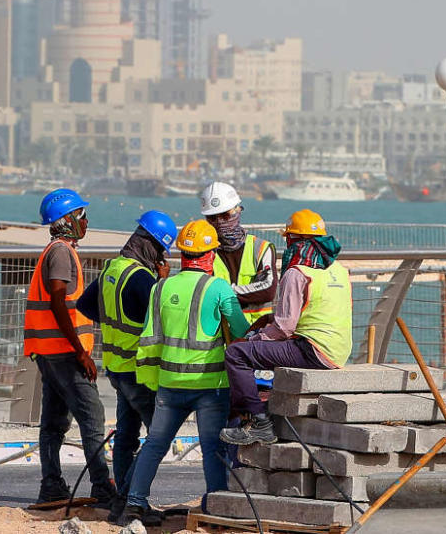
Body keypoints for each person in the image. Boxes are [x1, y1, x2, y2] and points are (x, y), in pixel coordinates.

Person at [121, 220, 252, 527]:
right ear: (209, 256)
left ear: (182, 255)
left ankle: (134, 504)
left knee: (154, 443)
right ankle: (217, 506)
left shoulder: (161, 287)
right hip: (210, 385)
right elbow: (242, 331)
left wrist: (154, 383)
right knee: (212, 448)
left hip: (169, 384)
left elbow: (149, 339)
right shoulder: (217, 287)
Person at [219, 209, 352, 446]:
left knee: (237, 355)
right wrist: (269, 321)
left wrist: (252, 339)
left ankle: (259, 422)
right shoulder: (339, 270)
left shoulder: (296, 272)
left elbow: (284, 329)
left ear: (293, 240)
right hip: (339, 350)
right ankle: (262, 413)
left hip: (312, 351)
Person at [77, 210, 177, 523]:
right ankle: (130, 500)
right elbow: (164, 316)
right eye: (162, 251)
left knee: (126, 438)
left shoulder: (112, 268)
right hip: (140, 371)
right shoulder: (142, 278)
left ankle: (122, 499)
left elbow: (84, 305)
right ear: (153, 246)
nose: (162, 258)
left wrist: (112, 321)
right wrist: (162, 283)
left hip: (116, 369)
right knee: (158, 438)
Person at [24, 188, 116, 507]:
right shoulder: (61, 252)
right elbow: (58, 300)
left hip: (48, 350)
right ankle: (102, 484)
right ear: (67, 220)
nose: (86, 221)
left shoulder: (56, 250)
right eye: (81, 215)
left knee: (53, 420)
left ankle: (51, 484)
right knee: (92, 415)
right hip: (64, 352)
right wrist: (80, 350)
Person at [200, 181, 278, 324]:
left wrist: (224, 293)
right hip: (219, 336)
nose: (219, 222)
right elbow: (201, 292)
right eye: (212, 218)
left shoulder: (260, 248)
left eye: (225, 215)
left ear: (238, 210)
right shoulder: (204, 252)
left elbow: (268, 289)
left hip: (255, 335)